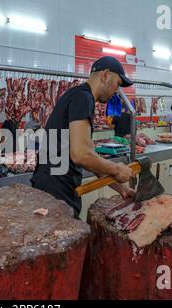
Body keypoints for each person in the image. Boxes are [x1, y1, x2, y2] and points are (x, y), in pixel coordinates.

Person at [31, 56, 136, 219]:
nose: (117, 91)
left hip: (50, 188)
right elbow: (81, 155)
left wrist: (122, 189)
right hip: (57, 193)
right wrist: (117, 169)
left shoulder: (76, 95)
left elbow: (89, 157)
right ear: (106, 75)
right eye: (118, 84)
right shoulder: (83, 98)